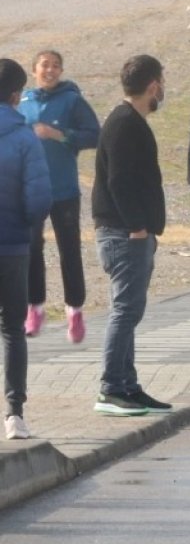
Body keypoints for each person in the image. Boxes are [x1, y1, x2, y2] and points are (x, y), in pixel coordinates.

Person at [90, 54, 171, 416]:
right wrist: (137, 226)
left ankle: (129, 386)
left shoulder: (130, 121)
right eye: (162, 84)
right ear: (153, 85)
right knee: (124, 311)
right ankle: (110, 389)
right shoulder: (124, 122)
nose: (163, 92)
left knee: (131, 310)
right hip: (124, 234)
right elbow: (118, 181)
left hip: (131, 233)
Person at [18, 50, 99, 343]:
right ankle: (34, 307)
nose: (50, 70)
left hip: (63, 190)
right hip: (30, 189)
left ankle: (75, 312)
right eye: (44, 65)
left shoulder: (72, 100)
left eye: (55, 66)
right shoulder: (22, 102)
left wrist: (60, 135)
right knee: (31, 248)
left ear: (61, 70)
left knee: (69, 251)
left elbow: (95, 134)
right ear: (34, 69)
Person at [0, 59, 51, 439]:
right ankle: (14, 413)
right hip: (13, 244)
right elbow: (39, 197)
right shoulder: (24, 138)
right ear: (17, 95)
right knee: (12, 330)